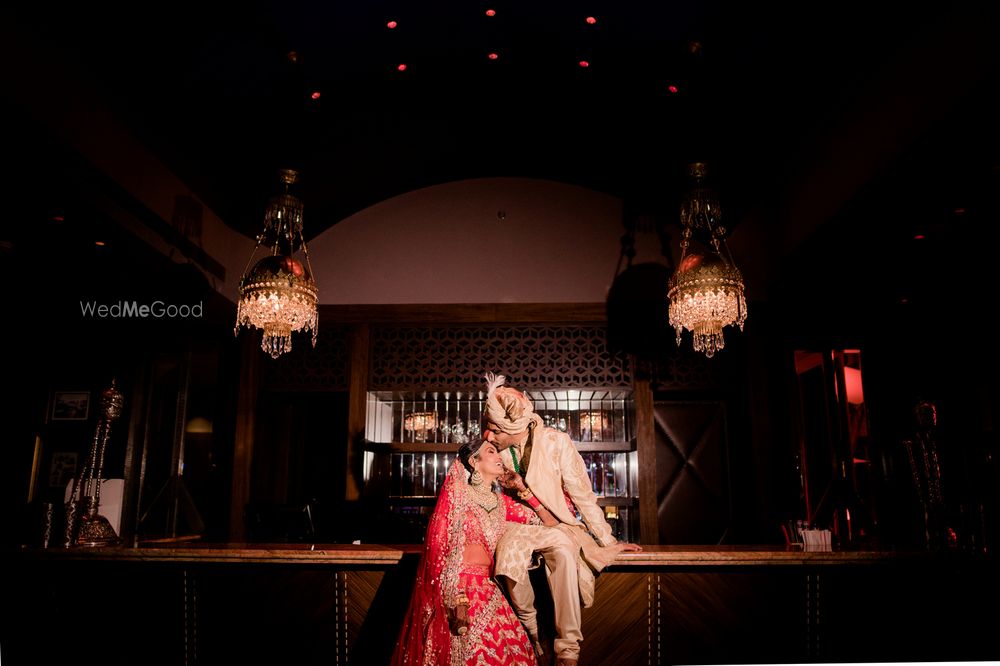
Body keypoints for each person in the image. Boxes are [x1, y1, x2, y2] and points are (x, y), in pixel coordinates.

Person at [482, 372, 642, 666]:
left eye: (495, 430)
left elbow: (582, 494)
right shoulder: (492, 451)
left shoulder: (556, 442)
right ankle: (527, 634)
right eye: (488, 428)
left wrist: (607, 540)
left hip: (555, 525)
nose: (488, 436)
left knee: (566, 553)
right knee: (508, 559)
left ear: (514, 426)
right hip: (510, 526)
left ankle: (568, 649)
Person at [392, 436, 560, 665]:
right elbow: (439, 544)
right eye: (491, 451)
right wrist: (451, 595)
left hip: (490, 589)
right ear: (474, 461)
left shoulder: (503, 504)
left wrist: (523, 488)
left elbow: (550, 524)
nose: (499, 456)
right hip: (457, 591)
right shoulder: (457, 493)